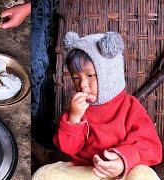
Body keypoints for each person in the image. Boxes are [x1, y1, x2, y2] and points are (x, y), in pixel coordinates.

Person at [32, 32, 163, 180]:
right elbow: (67, 148)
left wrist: (122, 161)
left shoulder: (130, 106)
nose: (82, 84)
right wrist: (74, 118)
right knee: (44, 175)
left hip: (125, 172)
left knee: (144, 175)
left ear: (108, 73)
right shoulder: (78, 109)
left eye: (89, 75)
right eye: (76, 77)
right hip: (87, 172)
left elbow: (152, 147)